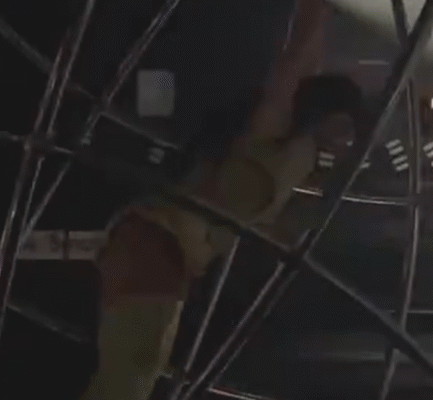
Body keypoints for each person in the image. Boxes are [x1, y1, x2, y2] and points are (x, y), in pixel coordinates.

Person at [81, 1, 366, 399]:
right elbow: (299, 60)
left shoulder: (296, 157)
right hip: (161, 237)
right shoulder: (277, 126)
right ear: (325, 111)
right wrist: (315, 11)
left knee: (134, 372)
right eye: (344, 125)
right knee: (132, 372)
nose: (346, 139)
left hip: (170, 247)